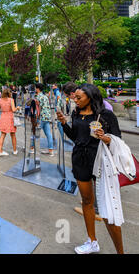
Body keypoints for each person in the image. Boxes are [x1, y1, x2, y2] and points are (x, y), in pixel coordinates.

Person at [57, 84, 124, 254]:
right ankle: (92, 241)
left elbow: (118, 141)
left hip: (101, 161)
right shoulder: (76, 113)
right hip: (80, 160)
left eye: (79, 97)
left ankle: (120, 251)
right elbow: (75, 136)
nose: (75, 100)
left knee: (108, 209)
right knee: (87, 202)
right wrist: (64, 124)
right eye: (75, 97)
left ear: (90, 97)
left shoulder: (106, 115)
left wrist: (105, 137)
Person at [0, 89, 21, 156]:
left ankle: (0, 151)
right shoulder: (11, 100)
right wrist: (17, 108)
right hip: (10, 118)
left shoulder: (0, 100)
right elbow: (13, 110)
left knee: (3, 134)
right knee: (13, 135)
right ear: (9, 93)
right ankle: (15, 150)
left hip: (3, 118)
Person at [35, 83, 54, 156]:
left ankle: (32, 148)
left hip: (41, 117)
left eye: (36, 88)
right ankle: (51, 150)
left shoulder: (38, 97)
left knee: (35, 132)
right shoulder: (45, 96)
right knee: (48, 134)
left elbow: (38, 108)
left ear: (38, 89)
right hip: (47, 117)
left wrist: (36, 117)